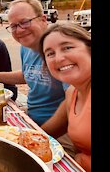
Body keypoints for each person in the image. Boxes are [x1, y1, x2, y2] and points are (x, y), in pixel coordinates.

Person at [0, 0, 69, 125]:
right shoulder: (26, 47)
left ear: (43, 20)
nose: (19, 30)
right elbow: (26, 75)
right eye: (13, 26)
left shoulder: (61, 50)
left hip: (59, 128)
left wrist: (41, 133)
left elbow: (74, 102)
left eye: (25, 22)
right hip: (31, 115)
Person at [39, 22, 91, 171]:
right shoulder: (72, 92)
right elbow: (47, 132)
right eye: (50, 53)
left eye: (67, 47)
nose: (58, 58)